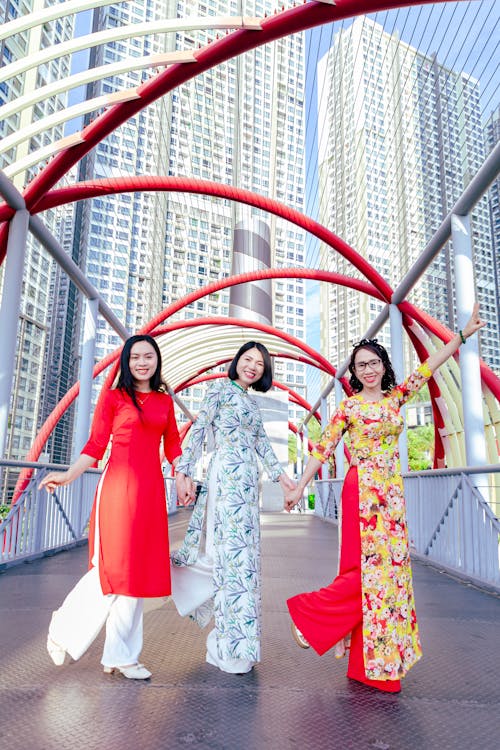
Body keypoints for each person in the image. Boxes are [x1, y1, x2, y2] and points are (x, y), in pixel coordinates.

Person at [284, 305, 485, 693]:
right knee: (368, 575)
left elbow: (429, 367)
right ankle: (310, 617)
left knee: (390, 577)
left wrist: (462, 335)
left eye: (373, 362)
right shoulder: (349, 407)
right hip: (363, 491)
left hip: (391, 494)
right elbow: (322, 449)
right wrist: (298, 488)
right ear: (354, 374)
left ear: (383, 366)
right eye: (360, 365)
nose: (368, 370)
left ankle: (372, 666)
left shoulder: (395, 399)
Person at [39, 334, 188, 679]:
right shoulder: (115, 397)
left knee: (135, 575)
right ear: (126, 361)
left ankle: (119, 656)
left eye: (148, 356)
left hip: (150, 492)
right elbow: (95, 445)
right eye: (135, 356)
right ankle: (67, 628)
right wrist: (68, 476)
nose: (141, 362)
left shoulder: (165, 402)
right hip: (118, 490)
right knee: (114, 570)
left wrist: (182, 475)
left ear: (156, 360)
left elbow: (173, 446)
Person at [172, 341, 296, 674]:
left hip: (246, 485)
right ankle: (224, 646)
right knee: (230, 557)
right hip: (224, 478)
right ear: (237, 361)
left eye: (259, 363)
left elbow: (261, 445)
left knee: (246, 560)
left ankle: (238, 645)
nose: (253, 366)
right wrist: (183, 470)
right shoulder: (218, 391)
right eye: (247, 359)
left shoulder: (252, 403)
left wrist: (282, 478)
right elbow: (198, 430)